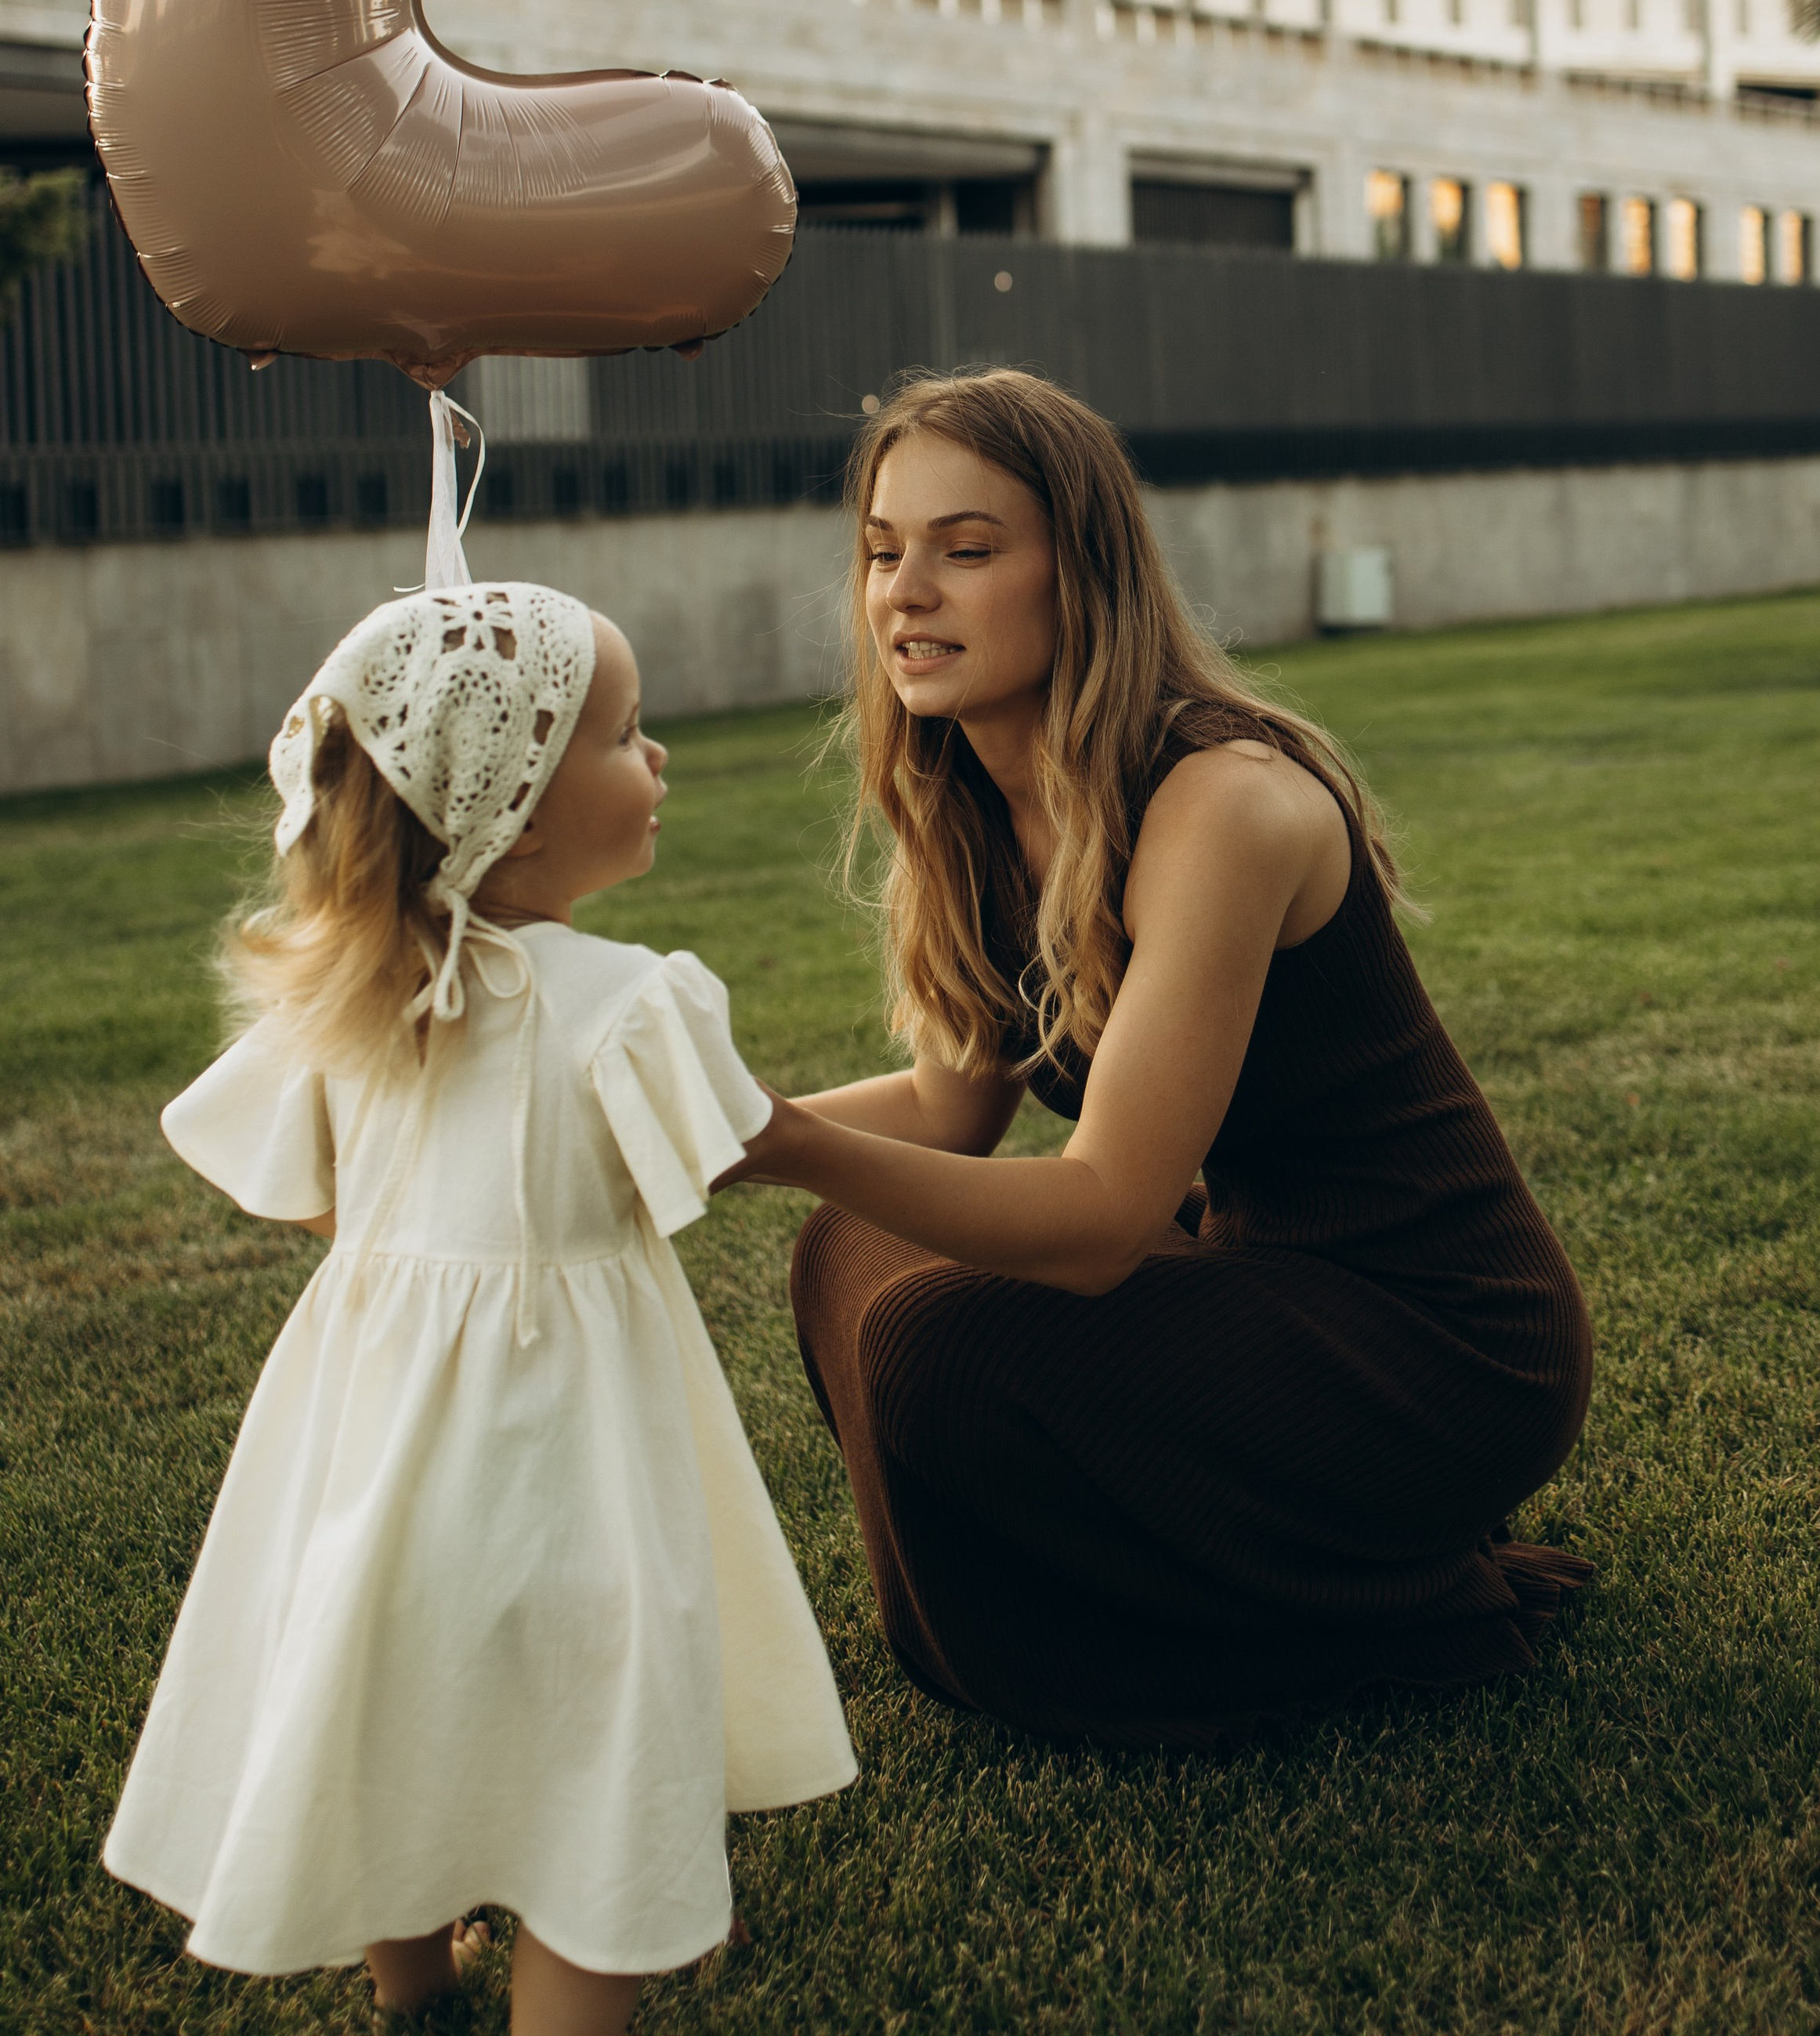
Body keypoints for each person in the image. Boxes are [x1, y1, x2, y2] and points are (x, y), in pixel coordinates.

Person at [727, 369, 1594, 1750]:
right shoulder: (974, 796)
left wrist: (781, 1139)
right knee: (844, 1253)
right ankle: (1022, 1633)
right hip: (1260, 1275)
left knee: (930, 1344)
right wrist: (703, 1134)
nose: (905, 592)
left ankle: (1368, 1600)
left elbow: (1099, 1222)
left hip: (1439, 1341)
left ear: (1083, 573)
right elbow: (952, 1109)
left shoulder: (1222, 802)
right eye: (884, 552)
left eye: (968, 548)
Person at [103, 584, 854, 2031]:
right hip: (572, 1457)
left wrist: (421, 1259)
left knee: (391, 1692)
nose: (662, 760)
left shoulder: (353, 997)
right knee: (593, 1740)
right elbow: (725, 1157)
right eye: (628, 736)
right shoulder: (634, 1000)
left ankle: (418, 1991)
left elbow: (313, 1193)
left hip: (378, 1441)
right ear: (509, 801)